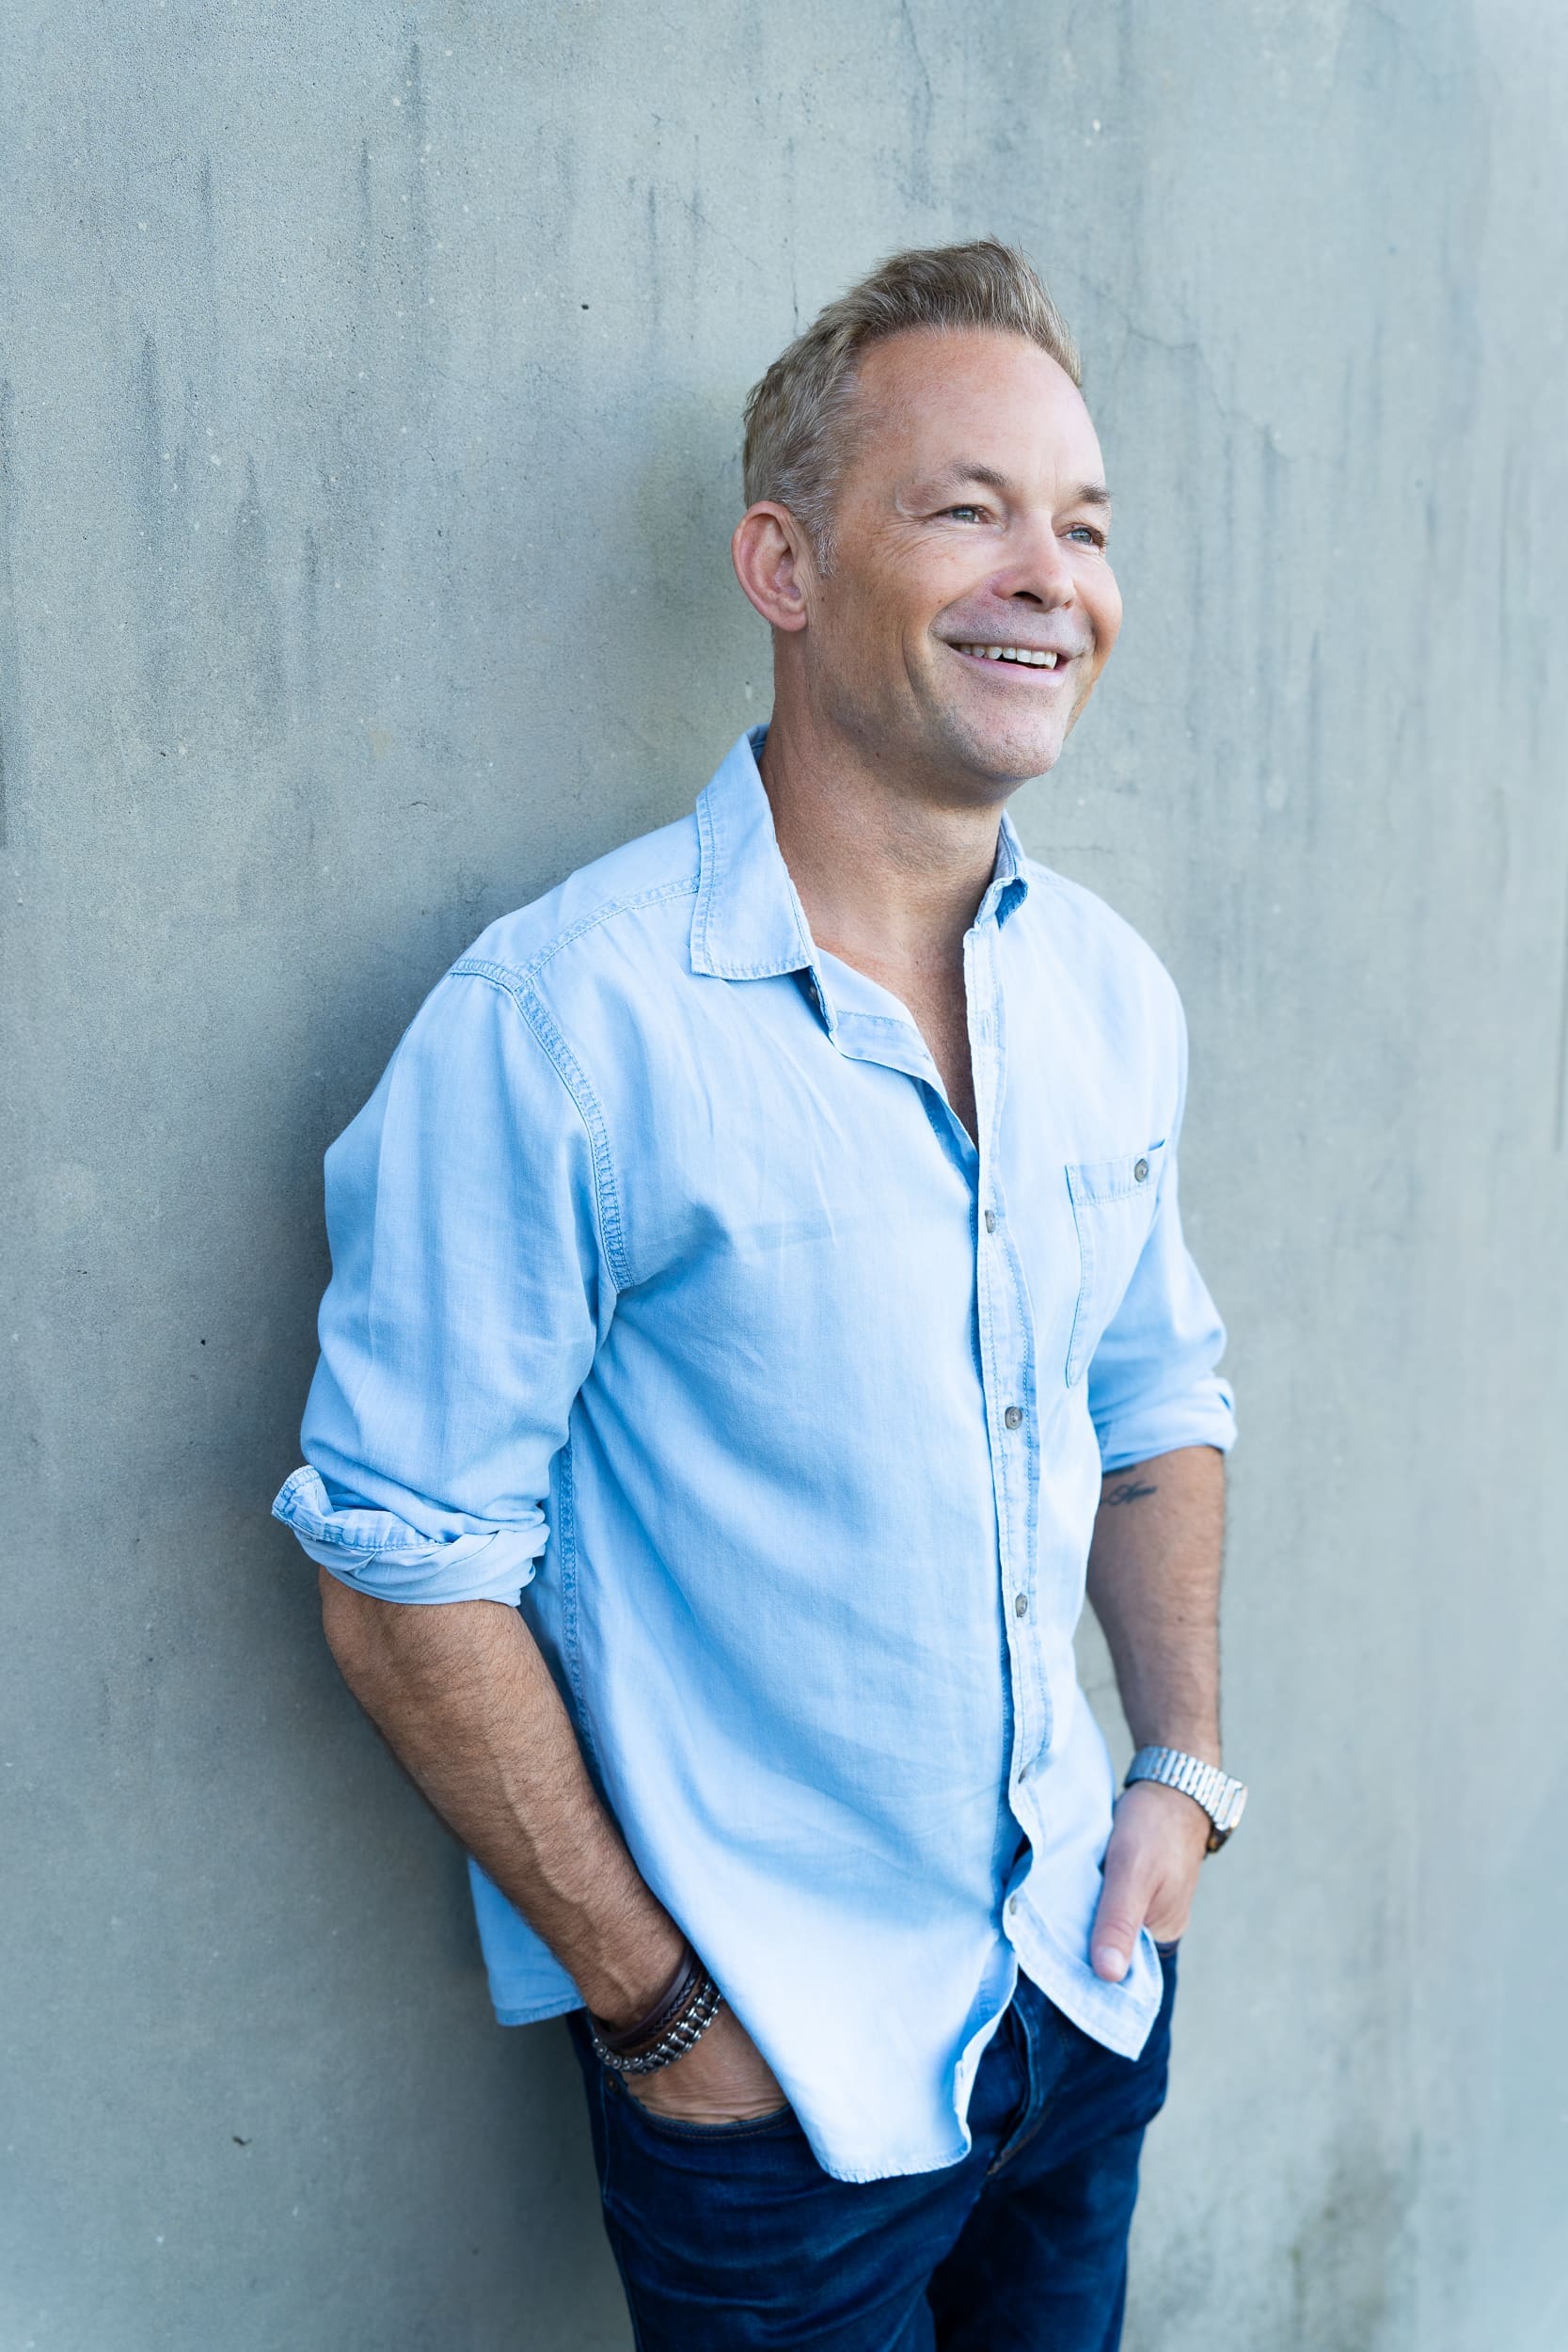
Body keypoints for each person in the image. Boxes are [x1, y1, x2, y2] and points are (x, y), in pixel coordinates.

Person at [272, 239, 1244, 2350]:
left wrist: (1178, 1768)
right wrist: (662, 2005)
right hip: (776, 2088)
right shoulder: (559, 1027)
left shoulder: (1109, 996)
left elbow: (1158, 1390)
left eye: (1080, 524)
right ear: (784, 565)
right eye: (965, 506)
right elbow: (398, 1564)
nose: (1045, 576)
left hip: (1080, 1988)